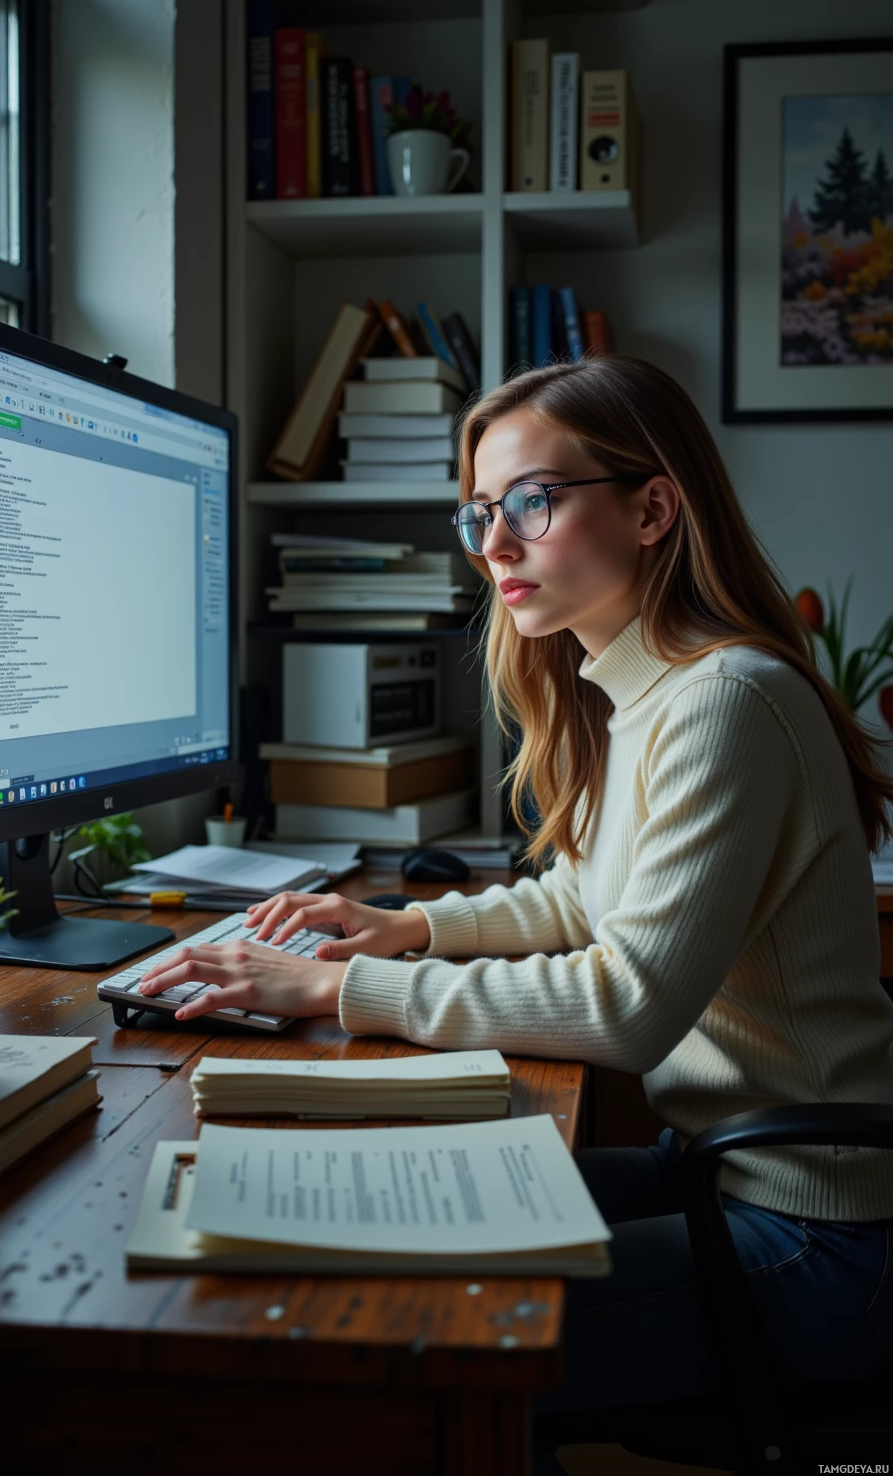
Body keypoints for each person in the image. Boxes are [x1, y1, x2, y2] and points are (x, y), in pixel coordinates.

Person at [139, 356, 893, 1427]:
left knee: (419, 1352)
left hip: (816, 1234)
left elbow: (627, 1004)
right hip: (722, 1173)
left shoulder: (724, 701)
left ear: (651, 508)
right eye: (482, 512)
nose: (494, 545)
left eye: (531, 503)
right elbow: (585, 905)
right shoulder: (652, 691)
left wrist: (332, 992)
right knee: (382, 1233)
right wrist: (406, 925)